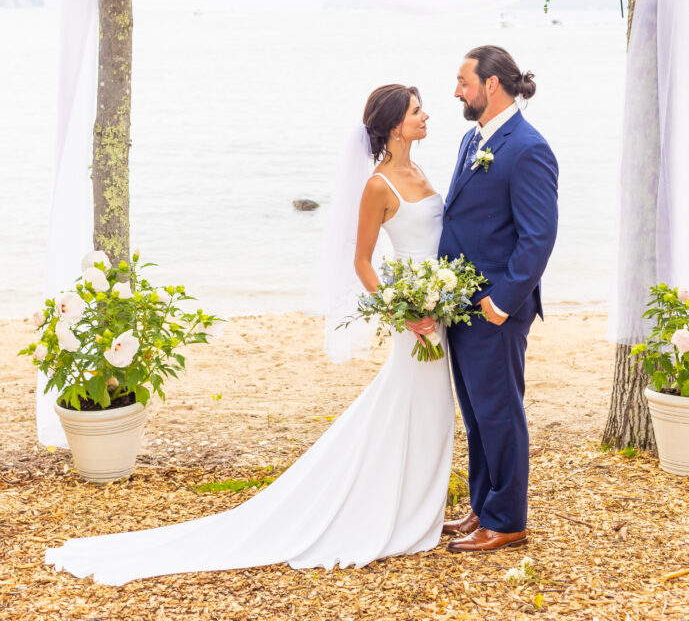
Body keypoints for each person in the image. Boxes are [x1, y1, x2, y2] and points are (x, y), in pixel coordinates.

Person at [45, 84, 456, 585]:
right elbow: (363, 262)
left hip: (442, 308)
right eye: (417, 111)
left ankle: (418, 506)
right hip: (416, 319)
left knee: (429, 409)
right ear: (395, 125)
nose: (427, 115)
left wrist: (440, 295)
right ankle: (397, 511)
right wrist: (404, 309)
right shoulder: (378, 186)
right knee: (412, 403)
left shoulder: (422, 171)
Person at [440, 45, 558, 553]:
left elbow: (538, 236)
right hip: (462, 306)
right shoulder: (473, 138)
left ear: (491, 85)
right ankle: (482, 507)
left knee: (500, 413)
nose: (457, 91)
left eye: (464, 81)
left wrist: (503, 300)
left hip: (496, 311)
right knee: (476, 413)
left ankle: (508, 520)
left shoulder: (527, 147)